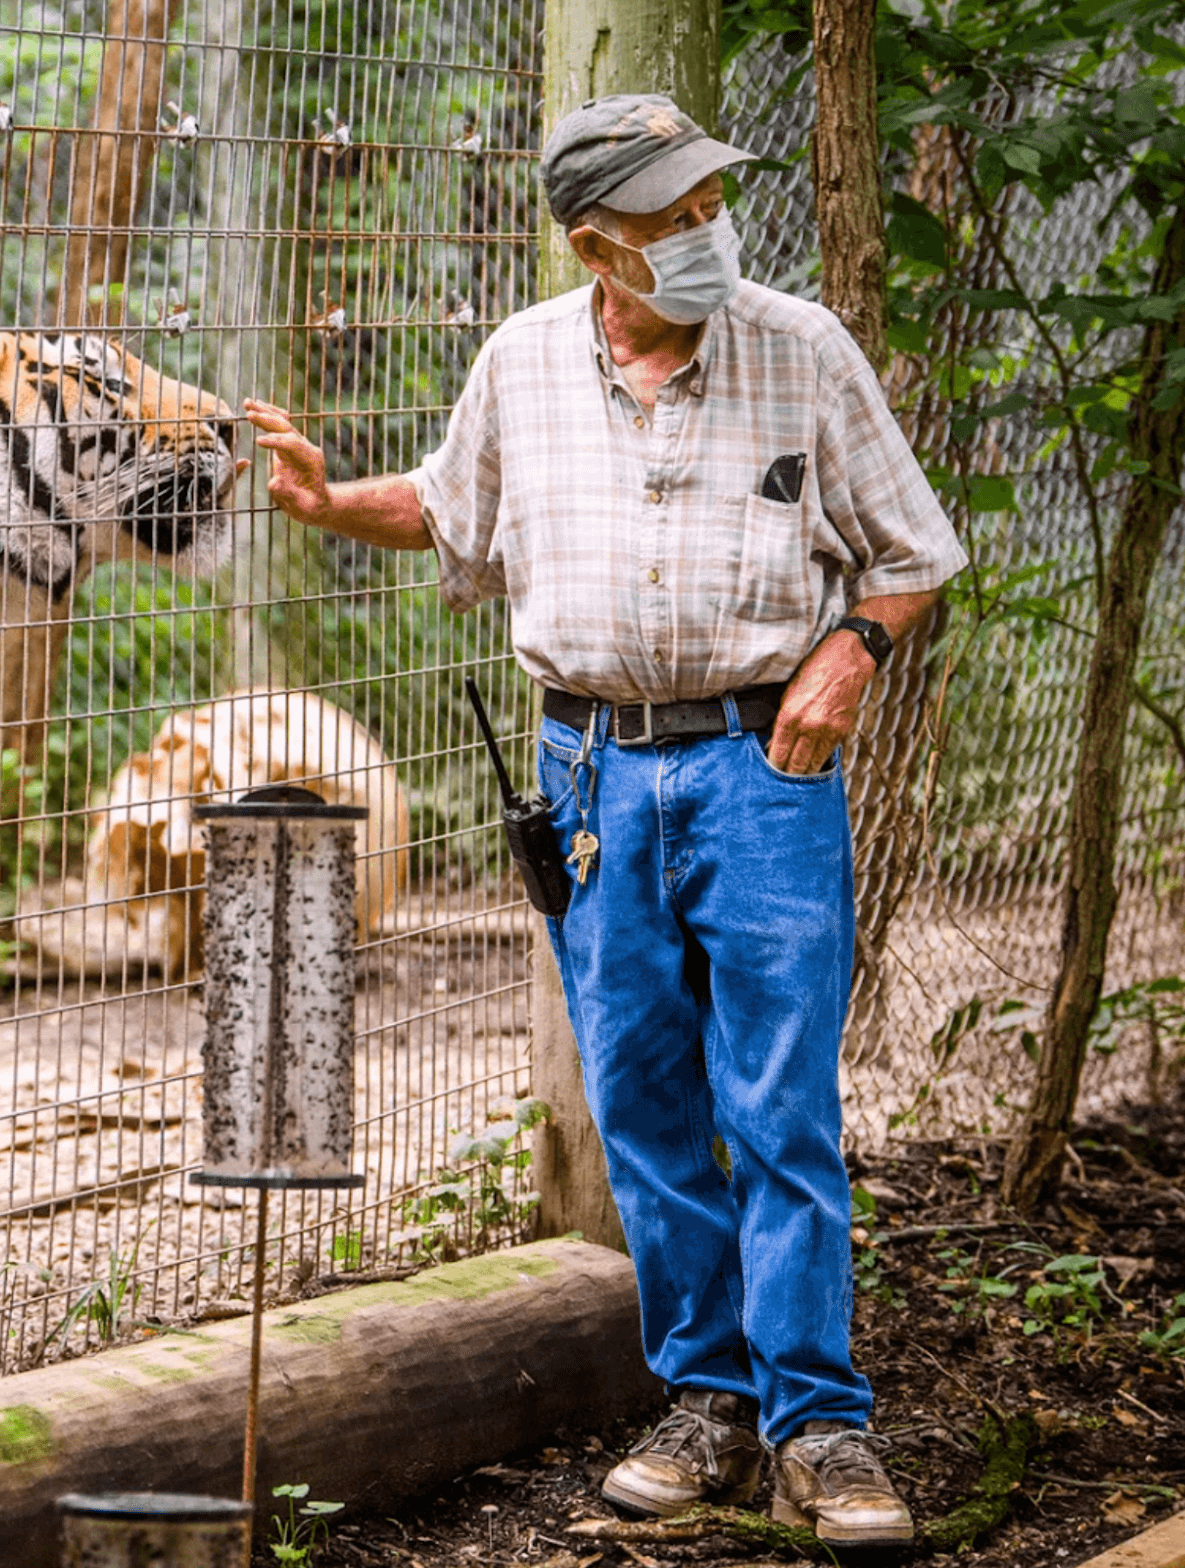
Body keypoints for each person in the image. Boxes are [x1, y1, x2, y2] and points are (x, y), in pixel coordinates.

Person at [243, 94, 966, 1548]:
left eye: (713, 203)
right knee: (643, 1105)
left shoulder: (801, 349)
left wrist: (850, 659)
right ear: (597, 245)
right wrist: (328, 505)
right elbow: (454, 513)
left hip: (758, 767)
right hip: (585, 779)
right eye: (675, 216)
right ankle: (705, 1399)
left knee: (776, 1106)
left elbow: (910, 552)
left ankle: (816, 1424)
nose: (709, 231)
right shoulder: (519, 365)